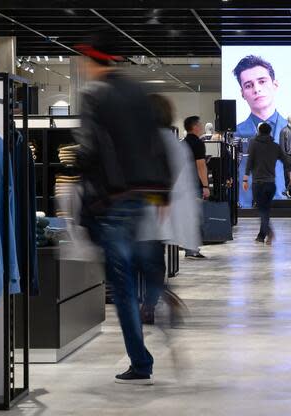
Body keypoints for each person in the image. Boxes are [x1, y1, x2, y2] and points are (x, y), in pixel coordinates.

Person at [74, 32, 172, 385]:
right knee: (141, 263)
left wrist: (80, 185)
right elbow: (156, 144)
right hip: (142, 196)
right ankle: (158, 292)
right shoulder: (137, 93)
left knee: (123, 286)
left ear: (92, 60)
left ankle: (141, 362)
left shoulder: (94, 97)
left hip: (111, 200)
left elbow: (89, 151)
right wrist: (161, 193)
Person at [137, 94, 201, 325]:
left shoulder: (149, 140)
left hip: (151, 210)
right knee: (154, 259)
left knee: (145, 259)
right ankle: (153, 301)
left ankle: (153, 301)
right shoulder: (175, 142)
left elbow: (154, 174)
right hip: (164, 211)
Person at [232, 55, 291, 207]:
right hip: (247, 206)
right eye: (248, 85)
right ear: (242, 92)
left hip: (284, 205)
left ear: (275, 84)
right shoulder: (235, 133)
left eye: (262, 81)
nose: (257, 89)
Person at [242, 122, 291, 244]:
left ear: (259, 131)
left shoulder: (253, 144)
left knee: (262, 210)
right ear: (270, 132)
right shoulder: (275, 146)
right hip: (270, 184)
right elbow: (286, 161)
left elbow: (249, 162)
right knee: (265, 209)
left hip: (258, 183)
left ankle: (269, 232)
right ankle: (261, 235)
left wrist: (245, 178)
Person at [181, 116, 209, 259]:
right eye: (200, 124)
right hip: (194, 185)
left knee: (188, 216)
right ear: (195, 126)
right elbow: (201, 166)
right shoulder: (198, 143)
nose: (202, 126)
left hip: (183, 184)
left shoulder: (183, 143)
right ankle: (192, 249)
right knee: (196, 217)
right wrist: (205, 185)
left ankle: (189, 247)